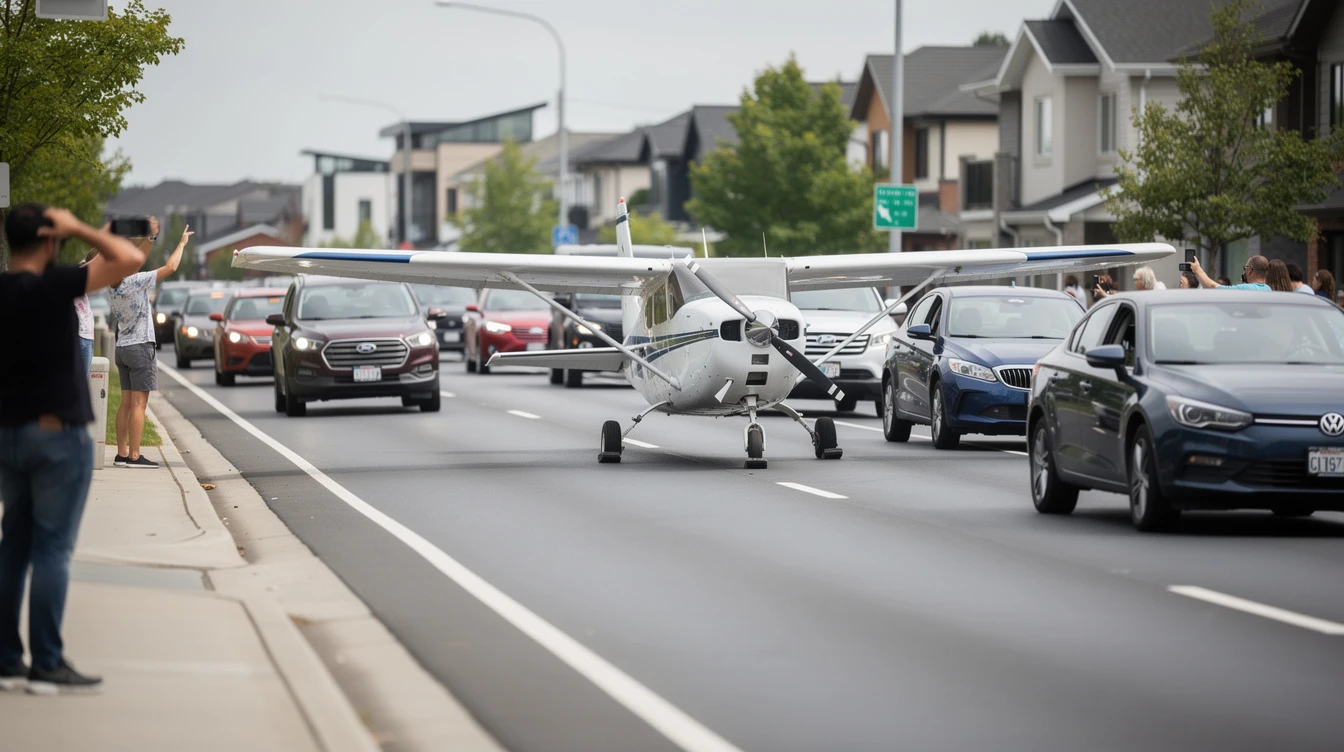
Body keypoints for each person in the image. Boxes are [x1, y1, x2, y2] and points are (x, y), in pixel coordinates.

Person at [1, 203, 146, 695]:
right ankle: (46, 661)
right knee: (52, 550)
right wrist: (84, 229)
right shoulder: (54, 284)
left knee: (12, 546)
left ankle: (5, 658)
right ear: (50, 240)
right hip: (57, 435)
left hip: (9, 434)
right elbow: (127, 259)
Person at [106, 219, 191, 469]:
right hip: (140, 346)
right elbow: (172, 267)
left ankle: (121, 453)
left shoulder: (112, 287)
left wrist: (145, 240)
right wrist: (182, 243)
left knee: (125, 403)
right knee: (139, 405)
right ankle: (134, 456)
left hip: (122, 347)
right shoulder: (135, 281)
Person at [1191, 255, 1271, 290]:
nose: (1244, 272)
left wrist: (1197, 270)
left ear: (1250, 270)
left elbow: (1212, 287)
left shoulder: (1246, 289)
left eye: (1245, 268)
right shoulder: (1268, 289)